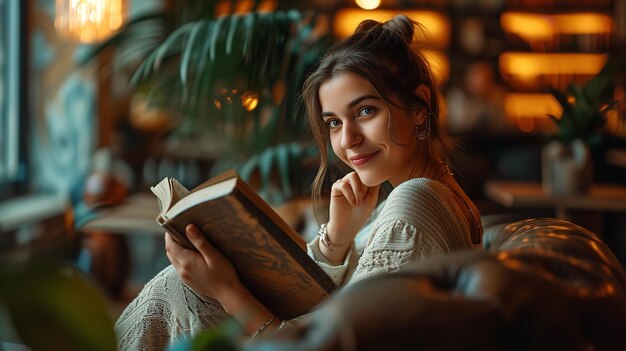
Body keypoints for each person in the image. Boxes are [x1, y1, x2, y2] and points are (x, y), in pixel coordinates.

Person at [114, 14, 483, 350]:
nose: (347, 139)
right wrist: (337, 237)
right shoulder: (427, 197)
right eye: (334, 122)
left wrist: (225, 290)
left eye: (365, 111)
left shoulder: (415, 204)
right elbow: (334, 314)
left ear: (420, 107)